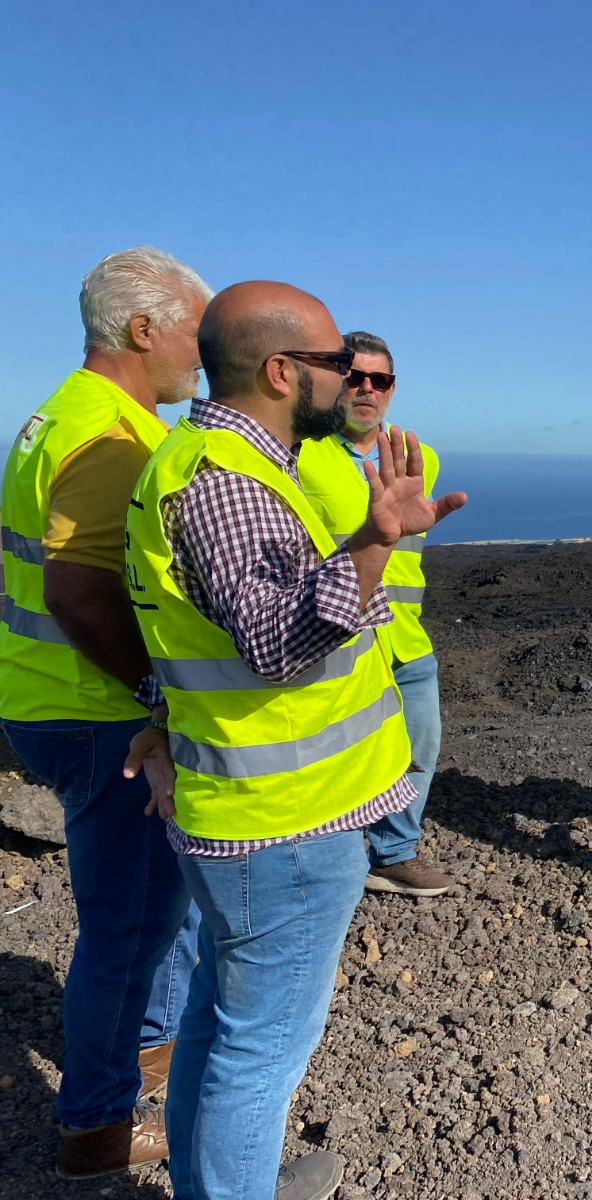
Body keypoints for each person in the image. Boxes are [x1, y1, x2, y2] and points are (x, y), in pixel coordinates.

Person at [124, 281, 466, 1199]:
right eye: (335, 362)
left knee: (219, 1023)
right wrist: (376, 540)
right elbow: (277, 644)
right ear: (282, 372)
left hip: (256, 812)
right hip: (282, 824)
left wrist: (158, 719)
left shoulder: (211, 462)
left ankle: (213, 1184)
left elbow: (186, 626)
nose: (350, 378)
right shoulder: (228, 484)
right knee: (262, 1048)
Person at [0, 247, 208, 1177]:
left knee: (147, 916)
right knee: (129, 931)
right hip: (97, 716)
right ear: (143, 328)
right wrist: (156, 696)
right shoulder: (114, 439)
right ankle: (98, 1128)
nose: (204, 354)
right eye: (196, 331)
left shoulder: (61, 412)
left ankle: (144, 1061)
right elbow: (80, 594)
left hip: (46, 697)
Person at [298, 330, 450, 897]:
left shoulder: (416, 457)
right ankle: (326, 863)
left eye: (379, 380)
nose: (367, 389)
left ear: (391, 388)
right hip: (337, 635)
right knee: (333, 754)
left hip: (405, 638)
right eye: (355, 376)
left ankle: (394, 853)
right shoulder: (301, 453)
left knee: (419, 745)